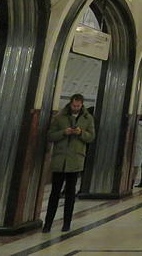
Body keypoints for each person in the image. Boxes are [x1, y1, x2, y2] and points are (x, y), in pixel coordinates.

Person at [43, 93, 95, 232]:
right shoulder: (60, 117)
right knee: (55, 192)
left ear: (82, 105)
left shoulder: (87, 118)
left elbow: (91, 137)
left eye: (78, 106)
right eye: (74, 105)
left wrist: (81, 133)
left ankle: (67, 224)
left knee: (70, 194)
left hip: (76, 160)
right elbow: (50, 135)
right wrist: (63, 133)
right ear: (70, 103)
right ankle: (47, 223)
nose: (76, 108)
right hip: (60, 160)